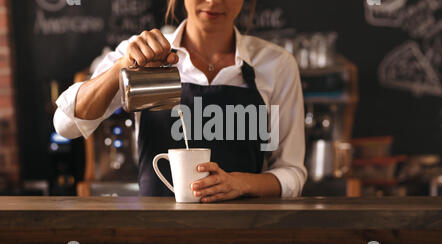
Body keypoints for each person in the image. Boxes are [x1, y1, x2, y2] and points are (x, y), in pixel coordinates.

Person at [54, 0, 307, 202]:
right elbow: (66, 125)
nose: (213, 1)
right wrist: (122, 67)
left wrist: (242, 183)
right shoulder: (142, 53)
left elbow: (291, 172)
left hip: (242, 234)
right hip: (159, 235)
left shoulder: (276, 65)